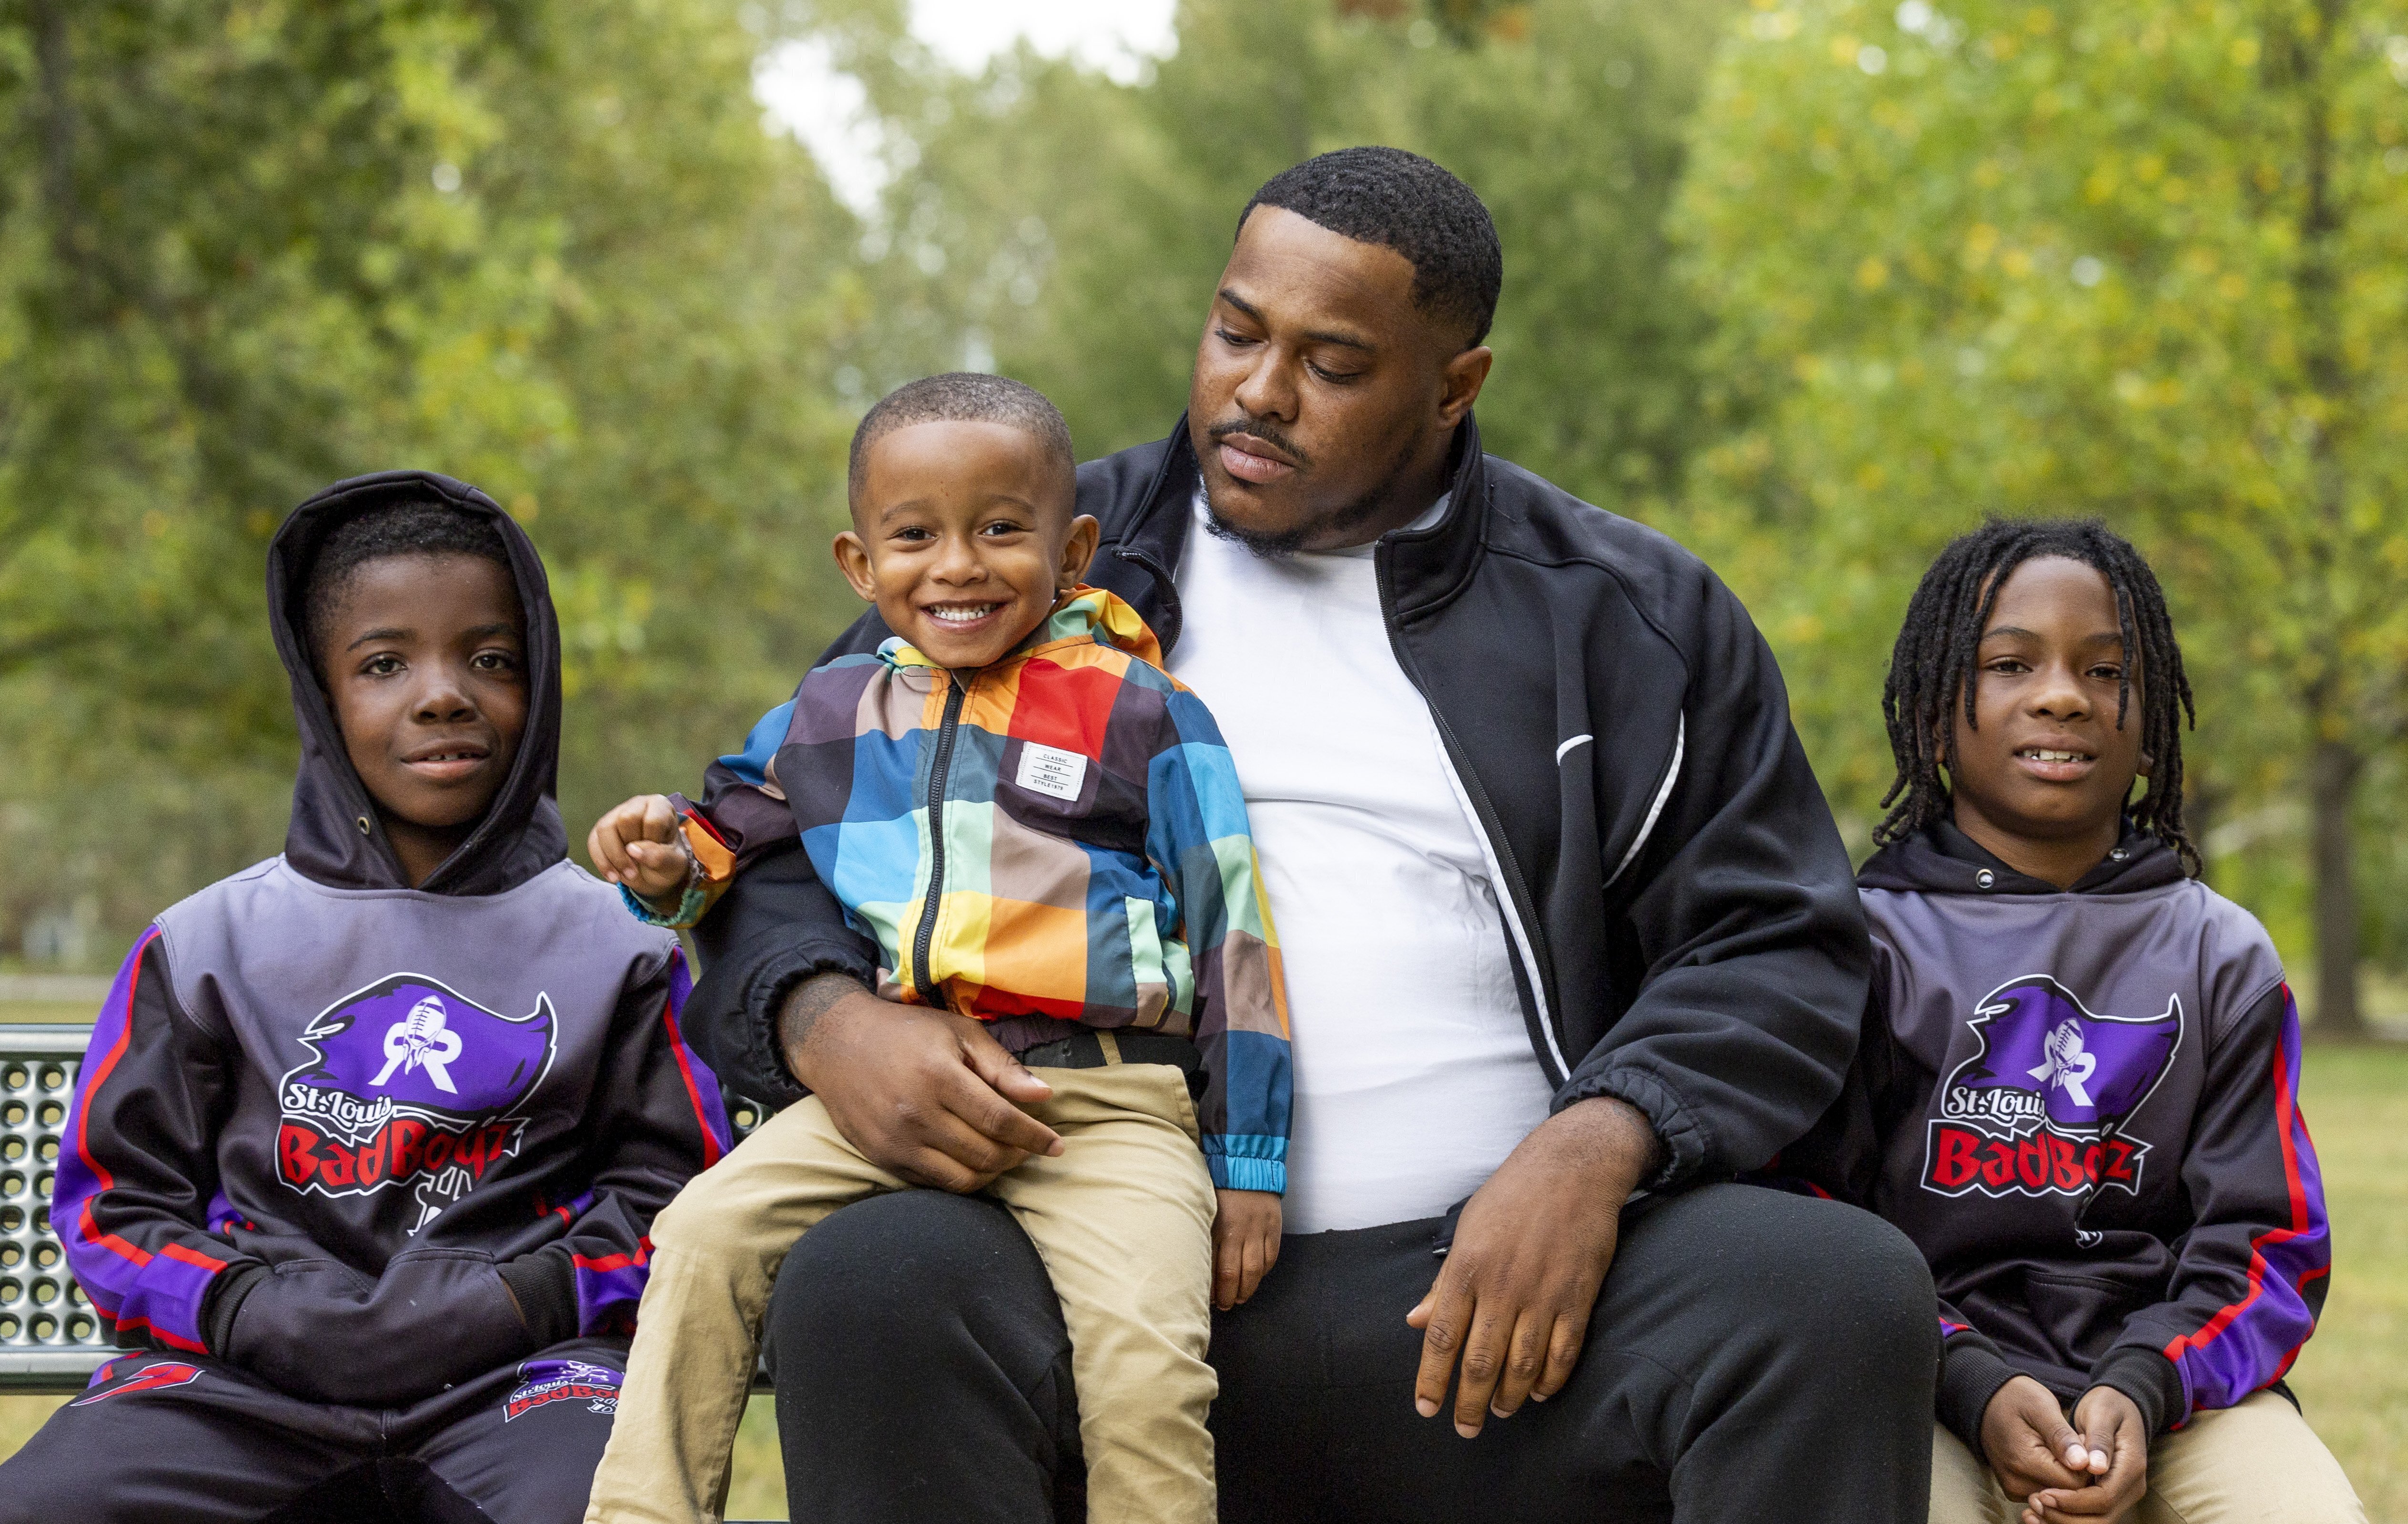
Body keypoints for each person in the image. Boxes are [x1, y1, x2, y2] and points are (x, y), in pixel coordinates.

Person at [679, 146, 1940, 1523]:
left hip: (1506, 1316)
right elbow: (769, 827)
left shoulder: (1620, 616)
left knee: (1831, 1296)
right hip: (1090, 1235)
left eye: (1332, 365)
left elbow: (1778, 941)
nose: (1257, 393)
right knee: (873, 1284)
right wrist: (819, 1019)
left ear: (1454, 388)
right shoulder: (1009, 553)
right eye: (1235, 331)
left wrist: (1602, 1139)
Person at [579, 374, 1291, 1524]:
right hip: (907, 1092)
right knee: (700, 1234)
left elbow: (1236, 942)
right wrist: (660, 861)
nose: (958, 566)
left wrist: (1250, 1162)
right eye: (916, 537)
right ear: (861, 567)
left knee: (1151, 1372)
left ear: (1074, 550)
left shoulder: (1142, 711)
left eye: (1001, 530)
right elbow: (724, 840)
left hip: (1105, 1109)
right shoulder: (828, 713)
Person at [0, 471, 733, 1524]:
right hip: (242, 1382)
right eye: (384, 664)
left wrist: (518, 1299)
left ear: (541, 685)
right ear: (322, 695)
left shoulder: (620, 945)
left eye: (491, 659)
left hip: (522, 1380)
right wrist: (250, 1307)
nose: (442, 693)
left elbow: (677, 1201)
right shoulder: (206, 943)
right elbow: (115, 1208)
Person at [1787, 519, 2361, 1524]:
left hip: (2172, 1392)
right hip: (1924, 1383)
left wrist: (2145, 1380)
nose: (2063, 694)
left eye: (2107, 671)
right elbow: (1805, 1214)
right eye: (2010, 664)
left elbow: (2268, 1243)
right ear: (1932, 713)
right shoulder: (1859, 949)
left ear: (2151, 726)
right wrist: (1965, 1376)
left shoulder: (2219, 954)